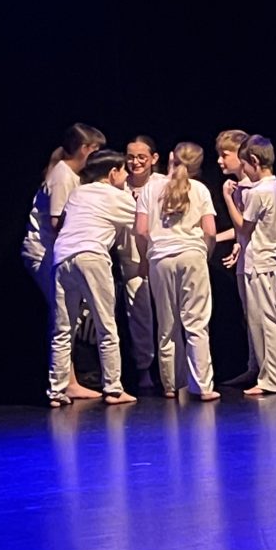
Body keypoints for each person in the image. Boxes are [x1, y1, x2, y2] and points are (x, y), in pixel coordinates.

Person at [47, 148, 140, 408]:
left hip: (62, 258)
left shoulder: (78, 192)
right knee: (106, 325)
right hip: (91, 256)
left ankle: (56, 391)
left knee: (63, 328)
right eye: (124, 171)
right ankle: (113, 388)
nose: (127, 176)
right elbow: (142, 223)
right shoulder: (117, 196)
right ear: (113, 173)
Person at [24, 123, 106, 401]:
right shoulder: (62, 175)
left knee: (66, 314)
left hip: (57, 252)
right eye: (96, 150)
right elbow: (56, 221)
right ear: (85, 149)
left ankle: (68, 379)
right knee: (63, 315)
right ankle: (64, 382)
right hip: (45, 253)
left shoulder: (70, 175)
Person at [138, 143, 220, 401]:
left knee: (167, 325)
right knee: (196, 324)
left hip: (160, 259)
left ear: (171, 158)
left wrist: (146, 258)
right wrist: (205, 254)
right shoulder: (201, 189)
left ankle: (171, 385)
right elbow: (210, 232)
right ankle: (202, 387)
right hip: (192, 256)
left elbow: (141, 231)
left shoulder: (150, 189)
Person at [225, 134, 276, 396]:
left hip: (261, 263)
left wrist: (228, 198)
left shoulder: (259, 192)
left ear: (253, 161)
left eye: (245, 164)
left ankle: (272, 379)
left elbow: (243, 228)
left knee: (265, 321)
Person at [214, 128, 257, 388]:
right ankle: (254, 367)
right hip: (247, 256)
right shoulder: (240, 187)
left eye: (225, 154)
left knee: (261, 316)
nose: (220, 160)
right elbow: (242, 228)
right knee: (248, 314)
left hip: (259, 260)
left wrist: (213, 239)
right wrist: (237, 244)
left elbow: (246, 226)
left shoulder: (250, 188)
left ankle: (270, 371)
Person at [120, 136, 161, 393]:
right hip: (132, 260)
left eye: (141, 157)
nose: (135, 162)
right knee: (140, 317)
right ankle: (144, 370)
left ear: (154, 159)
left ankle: (175, 372)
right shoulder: (118, 185)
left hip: (161, 256)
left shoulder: (163, 184)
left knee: (170, 315)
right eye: (131, 157)